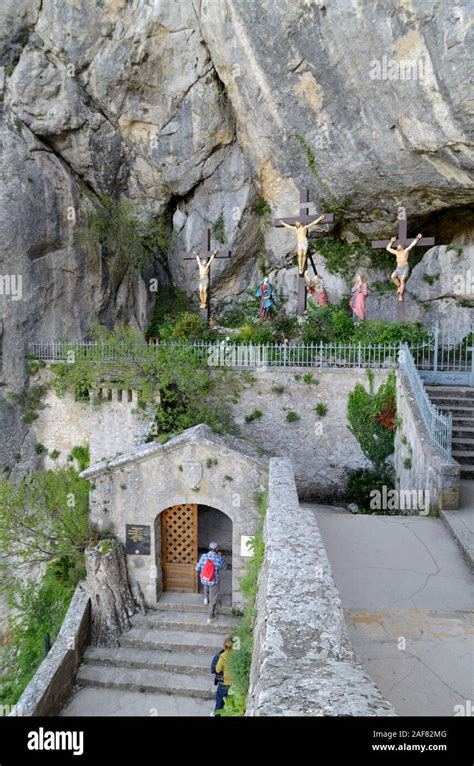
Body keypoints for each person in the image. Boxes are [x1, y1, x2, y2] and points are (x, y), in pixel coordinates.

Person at [196, 542, 227, 624]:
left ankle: (205, 599)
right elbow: (225, 567)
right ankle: (210, 617)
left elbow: (197, 568)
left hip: (204, 579)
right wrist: (220, 556)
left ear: (208, 548)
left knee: (206, 584)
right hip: (214, 581)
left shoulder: (203, 556)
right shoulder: (218, 558)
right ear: (217, 550)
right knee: (213, 599)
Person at [385, 233, 422, 302]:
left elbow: (412, 245)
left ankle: (400, 295)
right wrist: (391, 241)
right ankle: (399, 286)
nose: (397, 247)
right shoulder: (396, 252)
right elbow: (388, 248)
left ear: (402, 247)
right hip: (398, 268)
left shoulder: (405, 251)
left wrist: (417, 238)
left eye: (398, 246)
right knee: (392, 277)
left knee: (402, 280)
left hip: (405, 267)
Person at [213, 635, 233, 715]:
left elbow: (217, 669)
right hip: (233, 684)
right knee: (231, 704)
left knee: (219, 703)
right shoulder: (236, 655)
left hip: (224, 684)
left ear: (224, 646)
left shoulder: (223, 656)